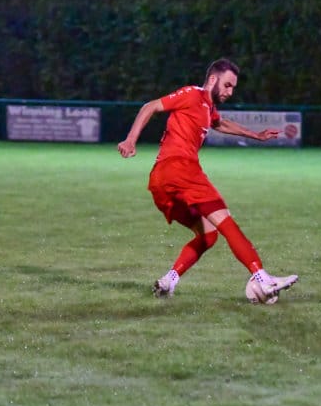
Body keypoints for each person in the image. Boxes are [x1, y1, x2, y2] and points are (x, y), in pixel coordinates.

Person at [117, 58, 298, 299]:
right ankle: (262, 278)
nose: (230, 92)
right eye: (227, 85)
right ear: (213, 79)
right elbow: (150, 106)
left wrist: (256, 135)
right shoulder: (192, 94)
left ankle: (169, 281)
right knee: (225, 220)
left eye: (233, 88)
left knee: (209, 234)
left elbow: (220, 123)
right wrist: (131, 140)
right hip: (181, 170)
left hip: (161, 181)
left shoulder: (208, 107)